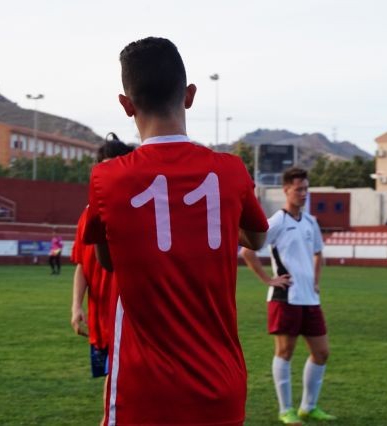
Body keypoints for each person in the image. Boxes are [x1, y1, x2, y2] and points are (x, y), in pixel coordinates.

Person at [83, 37, 268, 426]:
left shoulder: (106, 178)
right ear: (190, 95)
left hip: (142, 393)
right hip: (221, 388)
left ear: (126, 105)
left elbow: (107, 260)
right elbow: (257, 238)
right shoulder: (231, 171)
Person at [241, 167, 336, 424]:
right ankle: (286, 409)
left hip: (310, 298)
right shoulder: (276, 221)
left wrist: (315, 281)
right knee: (285, 352)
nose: (303, 193)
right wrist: (268, 279)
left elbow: (318, 253)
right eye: (299, 189)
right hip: (285, 297)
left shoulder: (310, 222)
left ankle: (308, 406)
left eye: (306, 188)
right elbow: (248, 250)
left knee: (322, 352)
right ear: (286, 190)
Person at [70, 140, 134, 381]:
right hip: (100, 324)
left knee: (118, 392)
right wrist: (76, 306)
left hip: (131, 323)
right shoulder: (87, 215)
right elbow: (82, 266)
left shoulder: (140, 209)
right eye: (103, 168)